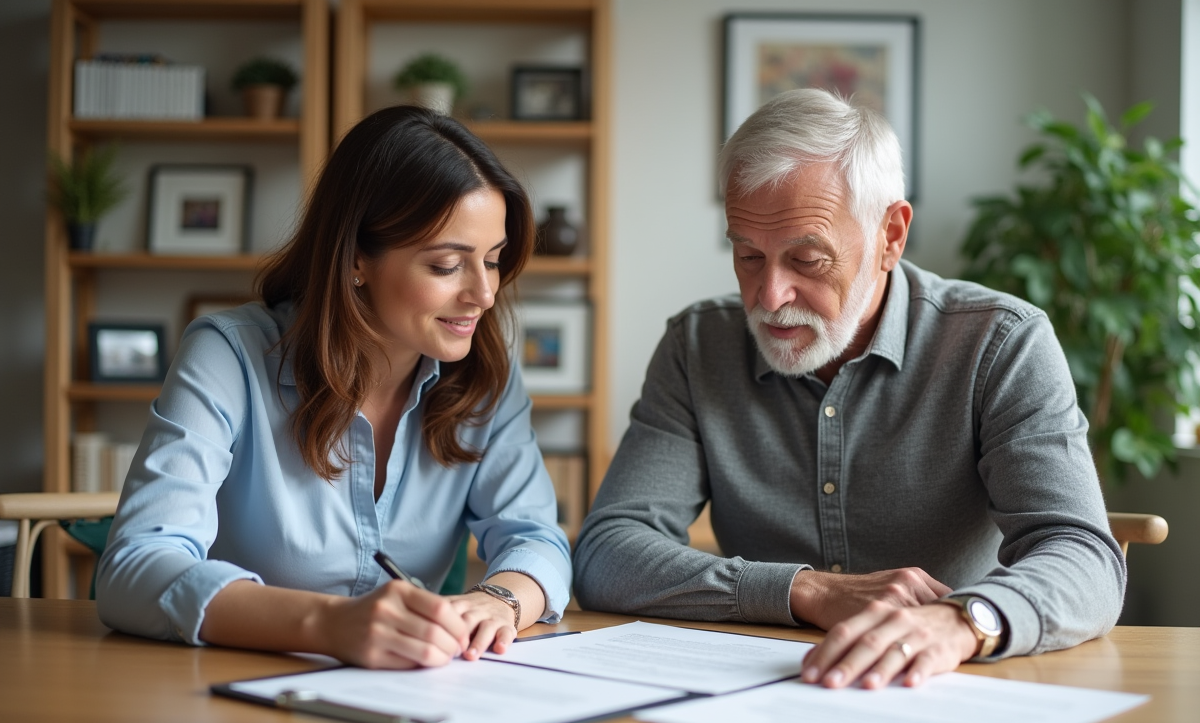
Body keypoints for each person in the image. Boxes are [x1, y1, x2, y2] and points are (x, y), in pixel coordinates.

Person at [573, 88, 1124, 689]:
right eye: (748, 255)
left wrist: (962, 620)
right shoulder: (697, 345)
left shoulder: (1002, 343)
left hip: (948, 681)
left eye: (807, 260)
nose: (769, 296)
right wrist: (804, 590)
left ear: (891, 235)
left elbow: (1085, 558)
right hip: (764, 687)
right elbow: (607, 553)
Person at [96, 106, 571, 669]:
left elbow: (537, 538)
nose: (484, 294)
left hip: (411, 694)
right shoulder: (228, 355)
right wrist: (327, 624)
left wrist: (498, 601)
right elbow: (134, 567)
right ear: (355, 261)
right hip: (234, 686)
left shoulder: (485, 376)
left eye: (492, 261)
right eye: (447, 266)